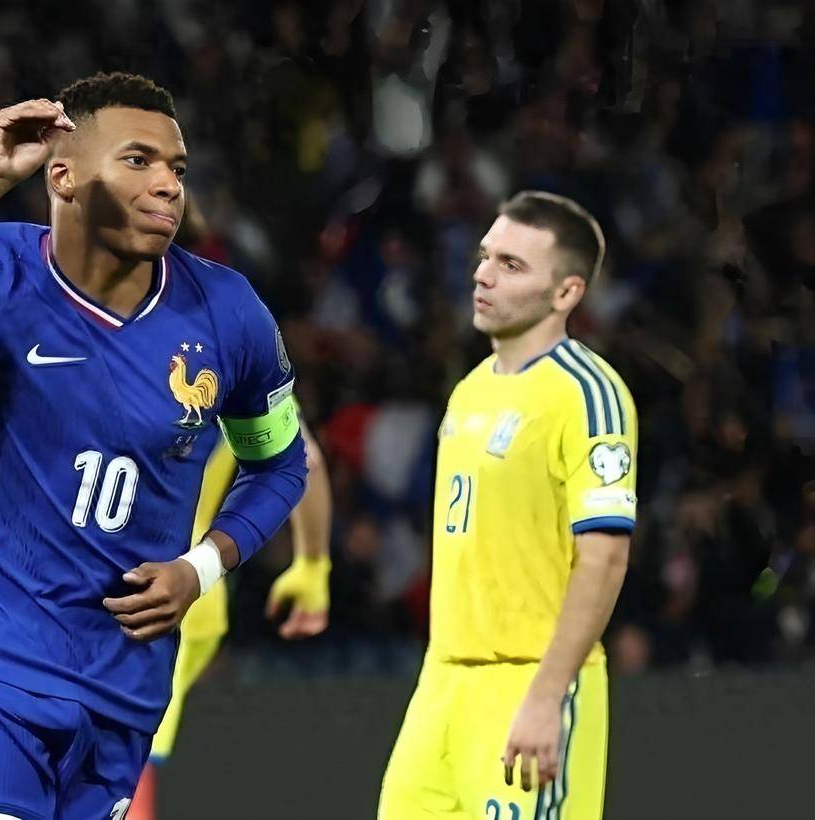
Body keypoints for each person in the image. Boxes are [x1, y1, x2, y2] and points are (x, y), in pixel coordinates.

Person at [0, 72, 307, 820]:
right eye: (138, 160)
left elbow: (279, 464)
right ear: (63, 175)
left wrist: (201, 567)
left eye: (177, 168)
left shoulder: (228, 313)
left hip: (120, 692)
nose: (169, 185)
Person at [377, 191, 638, 819]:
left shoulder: (588, 394)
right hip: (442, 685)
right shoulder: (468, 392)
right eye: (485, 256)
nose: (483, 275)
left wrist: (547, 696)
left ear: (567, 292)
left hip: (529, 683)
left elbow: (603, 558)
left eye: (512, 265)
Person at [128, 419, 332, 820]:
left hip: (129, 580)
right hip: (192, 585)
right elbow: (306, 459)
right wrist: (313, 564)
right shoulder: (243, 378)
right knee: (127, 747)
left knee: (116, 750)